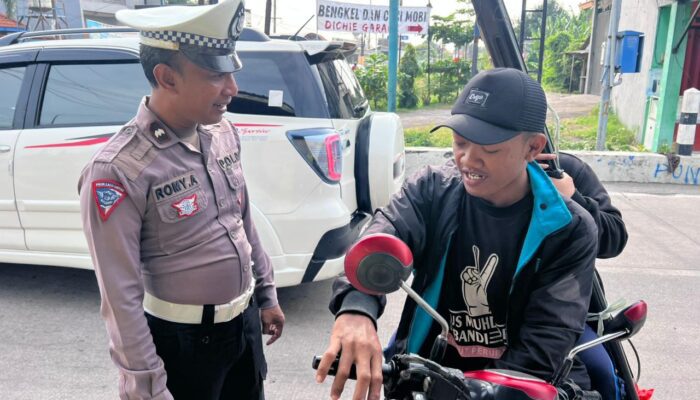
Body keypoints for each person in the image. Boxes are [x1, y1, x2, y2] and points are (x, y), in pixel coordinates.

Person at [316, 68, 599, 400]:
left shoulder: (568, 229)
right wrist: (356, 308)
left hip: (512, 388)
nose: (468, 158)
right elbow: (381, 238)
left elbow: (545, 343)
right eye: (460, 141)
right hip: (424, 374)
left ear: (533, 148)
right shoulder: (432, 190)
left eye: (489, 149)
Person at [78, 1, 284, 399]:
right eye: (215, 75)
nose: (232, 88)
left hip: (243, 328)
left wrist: (266, 294)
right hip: (184, 346)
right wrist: (147, 386)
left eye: (231, 72)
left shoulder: (222, 134)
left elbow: (241, 220)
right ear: (167, 77)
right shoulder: (119, 169)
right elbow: (120, 297)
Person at [536, 151, 629, 400]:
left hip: (566, 312)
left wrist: (573, 199)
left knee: (603, 376)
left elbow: (615, 238)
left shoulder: (566, 169)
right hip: (484, 313)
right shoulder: (465, 175)